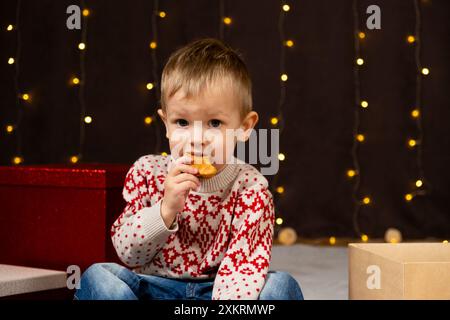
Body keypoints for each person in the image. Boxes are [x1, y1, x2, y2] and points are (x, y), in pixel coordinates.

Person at [74, 38, 303, 300]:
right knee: (99, 277)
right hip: (154, 287)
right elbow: (128, 252)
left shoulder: (251, 188)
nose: (197, 138)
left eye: (214, 123)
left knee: (280, 286)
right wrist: (165, 210)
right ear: (166, 123)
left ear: (244, 127)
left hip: (220, 291)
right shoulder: (147, 172)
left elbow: (244, 270)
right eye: (182, 121)